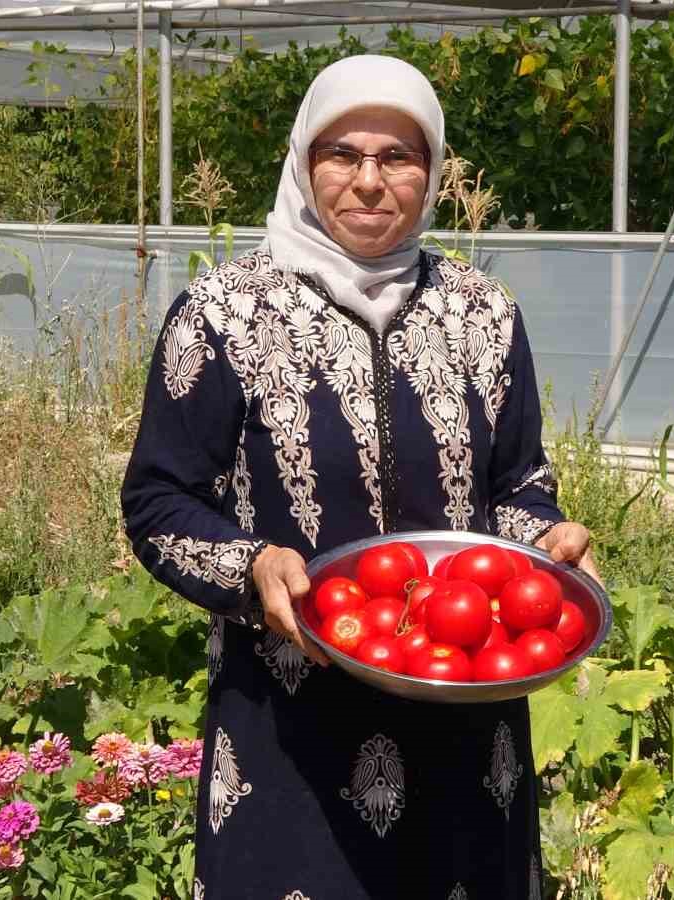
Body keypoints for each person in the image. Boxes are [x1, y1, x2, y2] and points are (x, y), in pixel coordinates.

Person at [121, 54, 598, 899]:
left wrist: (545, 540)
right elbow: (160, 502)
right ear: (304, 162)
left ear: (434, 172)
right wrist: (250, 566)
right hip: (289, 716)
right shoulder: (223, 314)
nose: (370, 181)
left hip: (464, 698)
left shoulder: (483, 314)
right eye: (342, 154)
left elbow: (518, 482)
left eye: (399, 157)